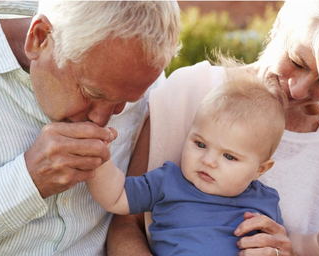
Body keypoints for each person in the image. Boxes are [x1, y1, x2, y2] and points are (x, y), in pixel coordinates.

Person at [106, 1, 319, 256]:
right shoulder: (189, 90)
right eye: (297, 62)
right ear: (279, 25)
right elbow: (126, 222)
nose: (299, 89)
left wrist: (286, 251)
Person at [0, 1, 180, 255]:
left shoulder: (144, 80)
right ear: (39, 38)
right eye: (91, 92)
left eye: (125, 103)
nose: (102, 120)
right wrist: (29, 180)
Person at [88, 72, 286, 255]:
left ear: (259, 170)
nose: (208, 161)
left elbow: (287, 243)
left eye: (229, 157)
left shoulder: (265, 201)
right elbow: (115, 196)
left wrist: (317, 242)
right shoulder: (168, 181)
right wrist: (99, 158)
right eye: (200, 144)